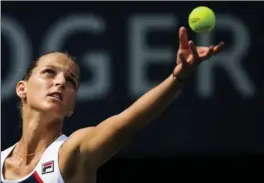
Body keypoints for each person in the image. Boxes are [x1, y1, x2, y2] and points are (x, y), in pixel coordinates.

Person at [1, 27, 224, 183]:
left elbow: (127, 123)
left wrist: (177, 79)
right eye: (49, 72)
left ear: (71, 107)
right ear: (22, 88)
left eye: (71, 82)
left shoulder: (72, 153)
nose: (60, 82)